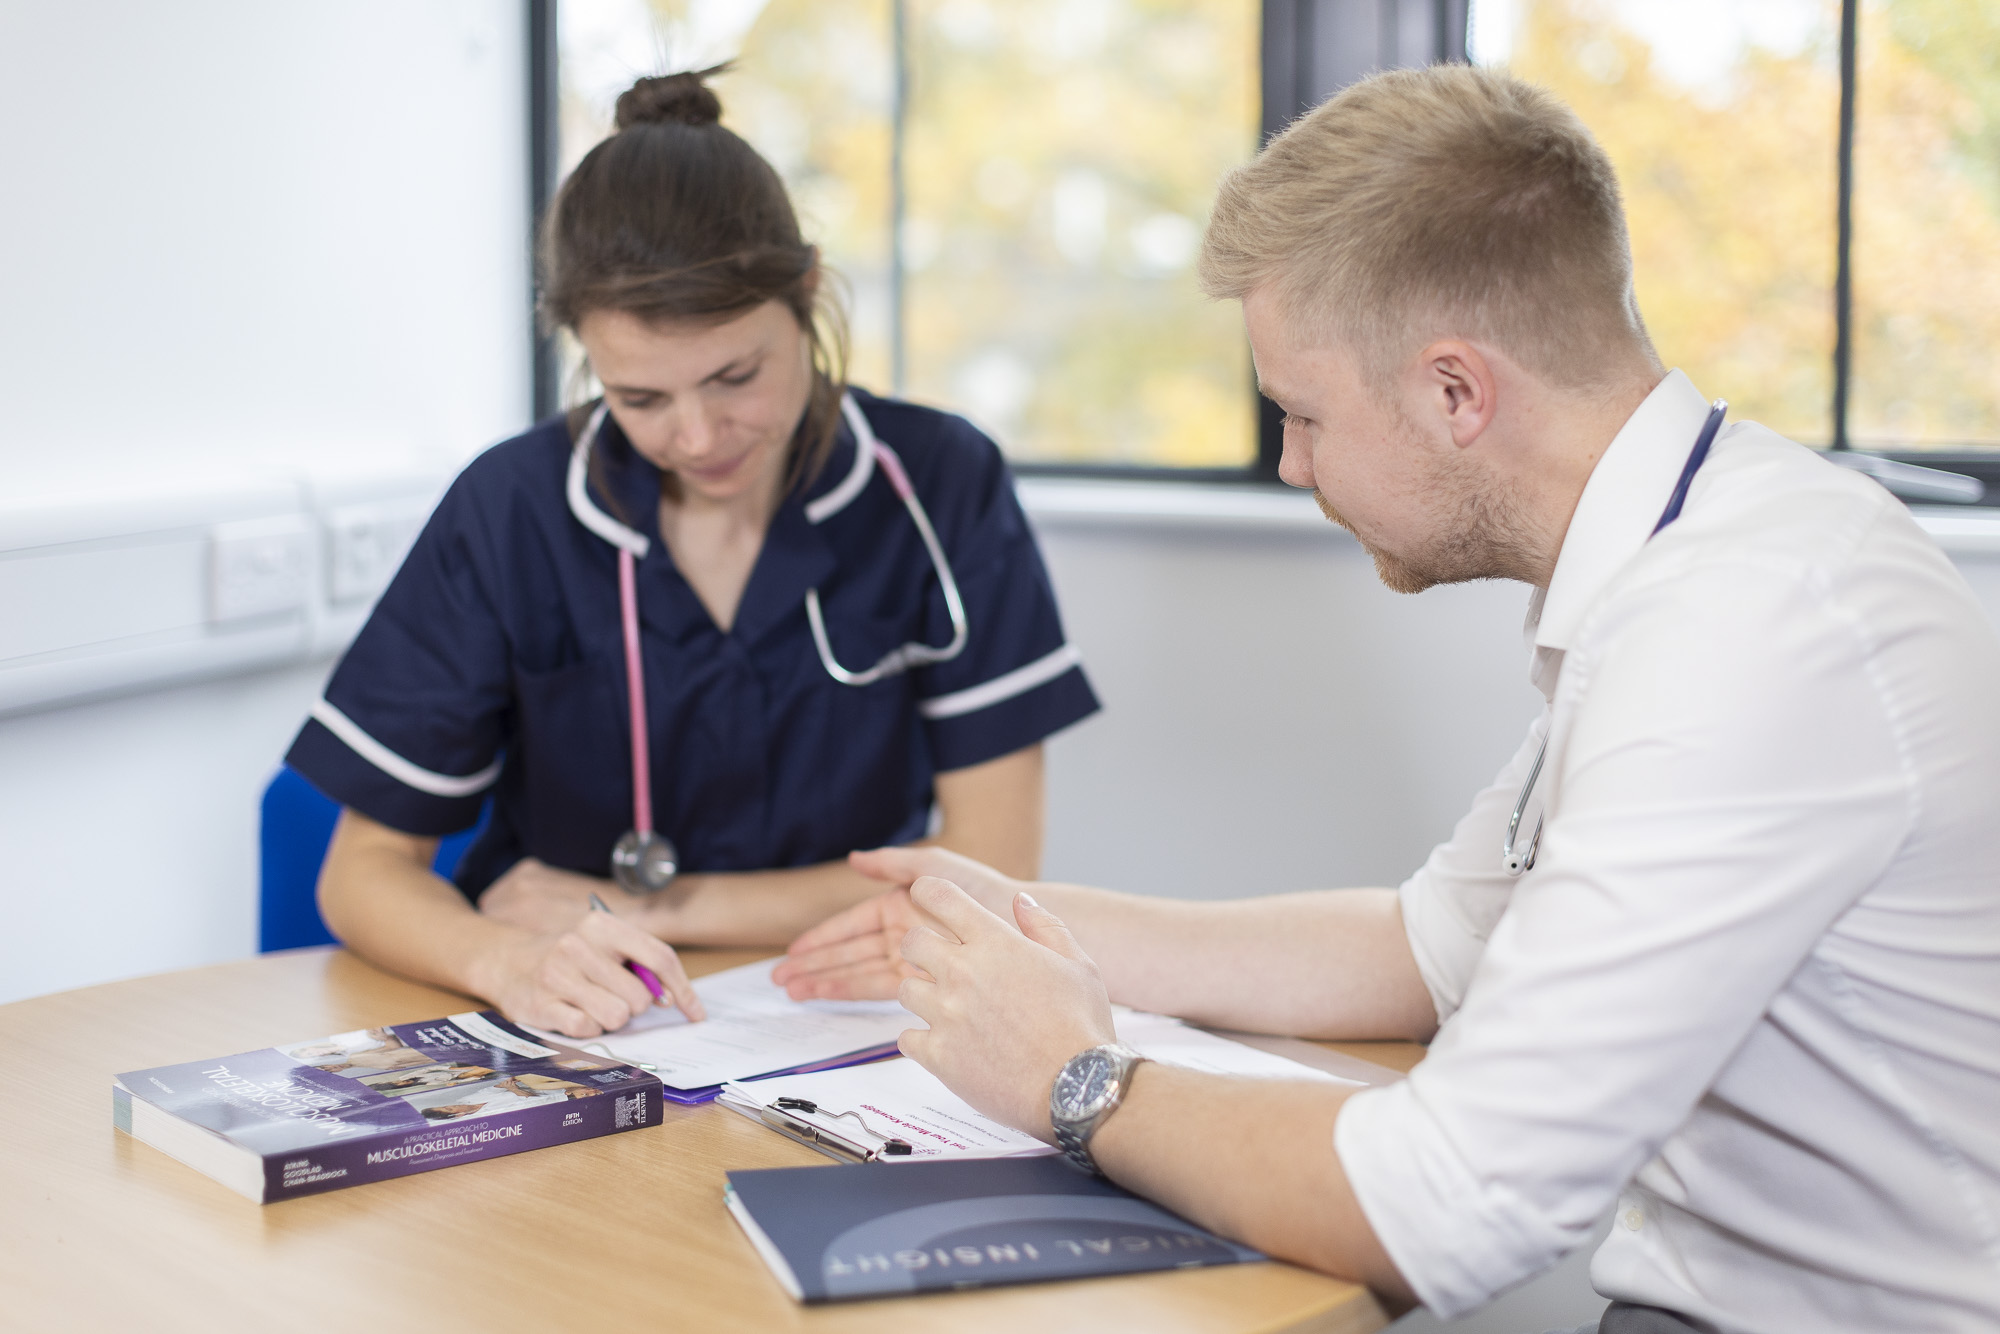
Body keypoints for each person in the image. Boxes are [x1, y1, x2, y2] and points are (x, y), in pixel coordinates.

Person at [773, 67, 2000, 1333]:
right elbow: (1424, 945)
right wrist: (1026, 922)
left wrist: (1075, 1077)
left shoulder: (1747, 627)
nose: (1293, 462)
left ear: (1453, 390)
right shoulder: (1686, 557)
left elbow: (1449, 1204)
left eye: (1301, 415)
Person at [285, 68, 1098, 1042]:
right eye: (640, 399)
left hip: (847, 1018)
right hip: (588, 1023)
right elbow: (362, 870)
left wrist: (653, 907)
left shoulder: (936, 482)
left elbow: (991, 863)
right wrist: (511, 960)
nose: (699, 433)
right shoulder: (513, 509)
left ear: (806, 290)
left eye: (734, 375)